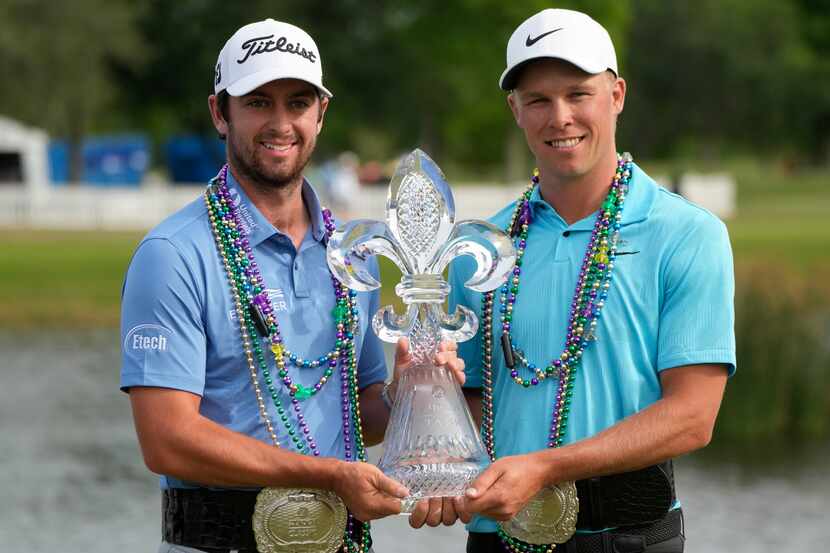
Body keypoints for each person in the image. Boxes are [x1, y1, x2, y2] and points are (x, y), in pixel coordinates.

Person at [119, 19, 464, 553]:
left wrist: (410, 392)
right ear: (219, 112)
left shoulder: (351, 255)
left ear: (321, 115)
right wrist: (327, 476)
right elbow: (167, 442)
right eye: (258, 102)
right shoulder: (174, 255)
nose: (281, 123)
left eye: (298, 103)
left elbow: (363, 416)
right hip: (220, 540)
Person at [422, 9, 735, 552]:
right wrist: (435, 442)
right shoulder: (477, 248)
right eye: (538, 100)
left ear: (616, 95)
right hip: (502, 538)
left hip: (630, 537)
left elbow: (691, 417)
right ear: (515, 110)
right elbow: (471, 398)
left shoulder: (687, 233)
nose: (560, 117)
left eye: (578, 94)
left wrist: (544, 468)